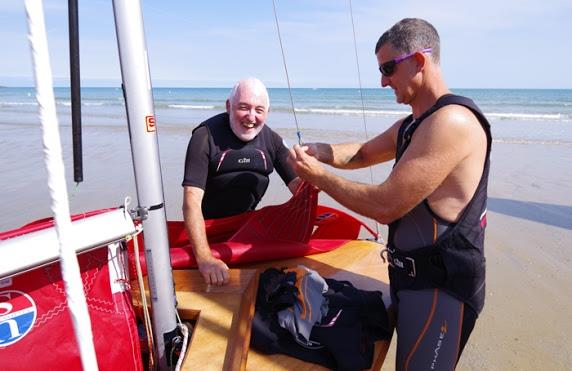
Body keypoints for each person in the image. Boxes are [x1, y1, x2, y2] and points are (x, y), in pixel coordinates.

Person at [288, 18, 491, 370]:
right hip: (408, 281)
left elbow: (385, 205)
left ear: (420, 61)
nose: (382, 80)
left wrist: (319, 177)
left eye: (387, 68)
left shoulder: (451, 122)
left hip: (442, 290)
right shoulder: (413, 123)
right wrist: (320, 151)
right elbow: (363, 153)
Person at [182, 77, 300, 286]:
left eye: (259, 110)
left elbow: (300, 190)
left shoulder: (271, 140)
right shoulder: (205, 136)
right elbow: (191, 201)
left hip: (248, 230)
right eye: (243, 108)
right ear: (229, 106)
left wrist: (317, 176)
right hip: (209, 231)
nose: (251, 117)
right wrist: (205, 258)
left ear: (267, 112)